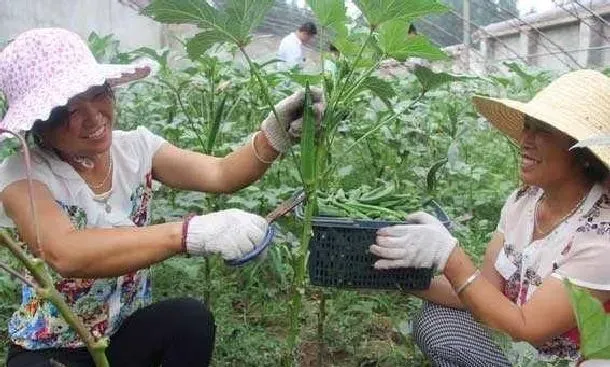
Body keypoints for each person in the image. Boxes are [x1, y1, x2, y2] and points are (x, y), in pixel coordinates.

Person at [0, 28, 323, 367]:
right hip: (51, 348)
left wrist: (273, 136)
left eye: (96, 93)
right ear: (37, 124)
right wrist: (186, 234)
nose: (93, 116)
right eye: (65, 108)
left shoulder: (136, 148)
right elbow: (66, 252)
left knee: (189, 320)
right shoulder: (21, 173)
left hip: (122, 334)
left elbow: (221, 173)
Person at [371, 69, 610, 366]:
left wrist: (449, 256)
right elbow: (484, 289)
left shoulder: (602, 236)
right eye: (527, 126)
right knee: (436, 320)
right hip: (518, 348)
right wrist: (396, 278)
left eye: (543, 130)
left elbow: (527, 327)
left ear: (583, 153)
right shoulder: (523, 202)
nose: (526, 139)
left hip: (562, 360)